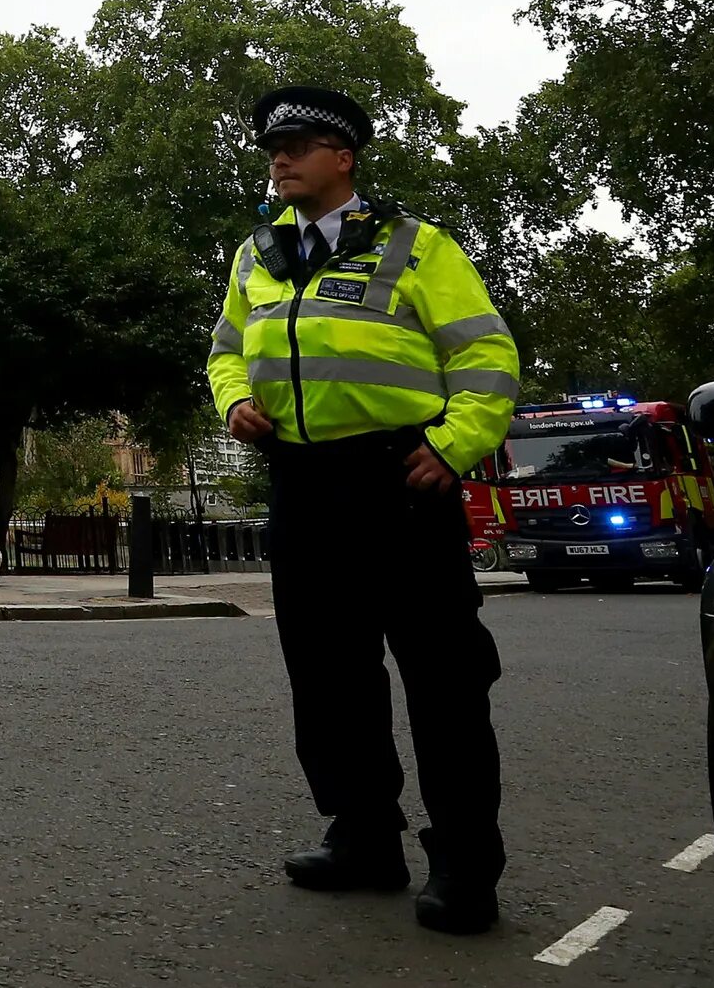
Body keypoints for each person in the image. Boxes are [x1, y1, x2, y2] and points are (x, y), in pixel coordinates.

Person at [206, 85, 521, 935]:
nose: (280, 157)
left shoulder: (418, 247)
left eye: (300, 144)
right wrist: (234, 401)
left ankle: (463, 864)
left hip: (402, 480)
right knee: (328, 675)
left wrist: (454, 444)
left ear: (344, 157)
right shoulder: (255, 254)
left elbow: (488, 353)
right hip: (303, 486)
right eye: (273, 146)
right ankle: (364, 839)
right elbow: (227, 349)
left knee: (445, 680)